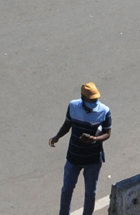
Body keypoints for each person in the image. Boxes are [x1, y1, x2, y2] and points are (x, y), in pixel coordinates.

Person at [49, 82, 111, 215]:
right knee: (67, 190)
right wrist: (57, 136)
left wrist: (94, 139)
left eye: (96, 99)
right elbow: (67, 124)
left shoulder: (104, 111)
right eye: (91, 99)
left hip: (93, 159)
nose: (94, 102)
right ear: (83, 98)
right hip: (73, 158)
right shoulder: (73, 106)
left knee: (90, 193)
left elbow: (107, 134)